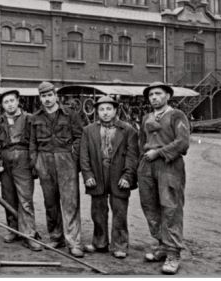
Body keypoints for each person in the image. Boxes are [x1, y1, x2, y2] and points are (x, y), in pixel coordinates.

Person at [137, 82, 190, 274]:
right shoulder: (146, 118)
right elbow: (141, 143)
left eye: (158, 94)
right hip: (147, 166)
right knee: (150, 206)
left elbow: (183, 143)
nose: (154, 97)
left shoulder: (177, 115)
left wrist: (159, 152)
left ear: (167, 96)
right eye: (151, 95)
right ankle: (162, 245)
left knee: (170, 209)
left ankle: (173, 253)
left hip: (169, 166)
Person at [29, 81, 85, 257]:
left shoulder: (70, 114)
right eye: (43, 96)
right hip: (44, 160)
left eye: (49, 95)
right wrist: (36, 163)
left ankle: (74, 242)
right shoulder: (35, 118)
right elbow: (32, 143)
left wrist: (72, 159)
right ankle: (56, 236)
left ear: (56, 96)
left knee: (70, 202)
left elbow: (79, 138)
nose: (46, 99)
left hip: (65, 159)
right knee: (50, 202)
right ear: (40, 98)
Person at [79, 96, 139, 259]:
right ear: (97, 111)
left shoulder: (128, 130)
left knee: (119, 211)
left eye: (108, 109)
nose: (105, 113)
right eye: (101, 109)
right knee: (98, 210)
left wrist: (127, 176)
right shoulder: (88, 130)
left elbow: (132, 156)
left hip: (119, 174)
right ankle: (100, 242)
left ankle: (120, 245)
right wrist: (87, 175)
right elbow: (83, 156)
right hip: (97, 173)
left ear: (115, 110)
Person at [0, 89, 42, 251]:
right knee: (8, 197)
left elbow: (36, 143)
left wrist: (34, 163)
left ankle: (29, 235)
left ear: (18, 101)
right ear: (2, 105)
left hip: (24, 159)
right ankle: (13, 230)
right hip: (5, 161)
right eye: (6, 102)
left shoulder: (29, 119)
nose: (9, 104)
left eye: (12, 100)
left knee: (25, 199)